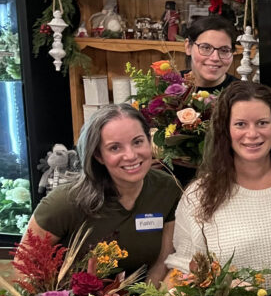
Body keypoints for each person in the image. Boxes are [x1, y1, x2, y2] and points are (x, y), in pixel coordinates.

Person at [164, 83, 271, 287]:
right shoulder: (198, 195)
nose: (252, 134)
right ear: (225, 130)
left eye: (262, 123)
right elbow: (184, 270)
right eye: (241, 124)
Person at [21, 104, 180, 283]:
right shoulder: (64, 202)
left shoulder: (167, 188)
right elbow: (24, 266)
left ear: (149, 141)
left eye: (137, 142)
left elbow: (163, 261)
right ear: (98, 155)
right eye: (115, 148)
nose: (130, 155)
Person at [181, 15, 238, 93]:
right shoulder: (169, 85)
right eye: (206, 48)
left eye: (224, 50)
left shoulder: (242, 94)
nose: (215, 58)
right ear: (188, 47)